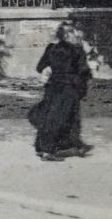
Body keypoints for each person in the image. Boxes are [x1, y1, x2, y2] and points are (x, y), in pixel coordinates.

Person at [28, 24, 94, 162]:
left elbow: (40, 67)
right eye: (72, 32)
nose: (75, 34)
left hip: (52, 87)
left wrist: (50, 69)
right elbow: (84, 71)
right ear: (66, 35)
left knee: (51, 115)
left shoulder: (51, 48)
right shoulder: (77, 49)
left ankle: (45, 147)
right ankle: (49, 150)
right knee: (64, 117)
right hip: (69, 88)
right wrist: (83, 85)